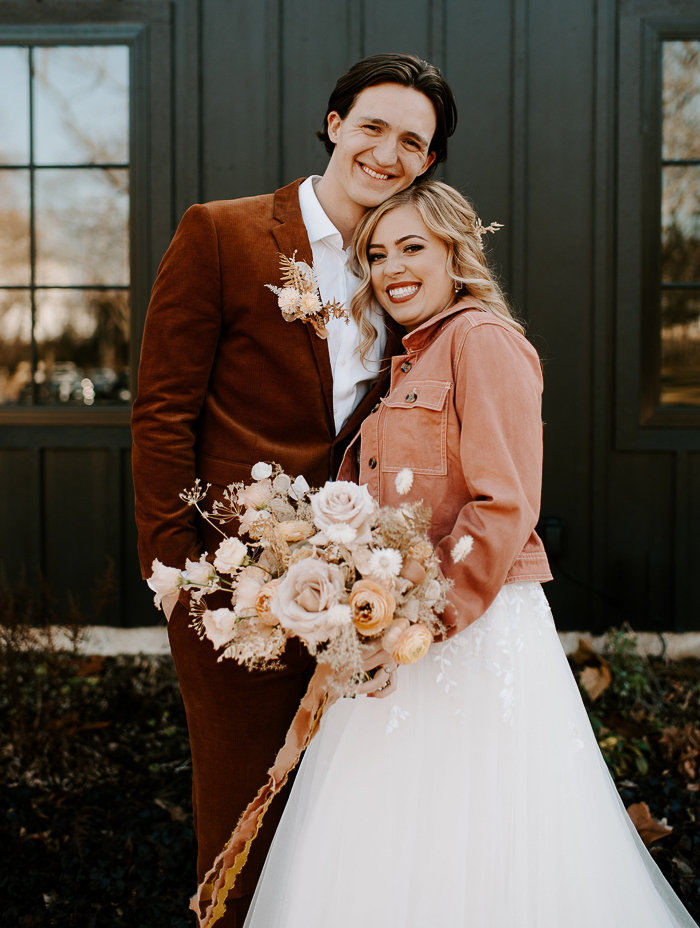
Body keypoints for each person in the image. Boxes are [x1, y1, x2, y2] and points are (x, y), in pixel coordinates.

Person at [242, 182, 697, 928]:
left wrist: (423, 622)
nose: (392, 268)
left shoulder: (482, 341)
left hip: (467, 630)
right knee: (381, 833)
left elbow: (505, 503)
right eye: (377, 254)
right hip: (393, 637)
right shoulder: (404, 364)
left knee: (477, 829)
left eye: (413, 246)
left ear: (458, 251)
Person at [131, 55, 458, 926]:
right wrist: (177, 572)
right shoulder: (222, 233)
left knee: (340, 828)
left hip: (360, 599)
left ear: (427, 164)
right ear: (333, 123)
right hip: (233, 588)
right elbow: (162, 412)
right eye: (374, 126)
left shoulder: (404, 272)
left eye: (413, 142)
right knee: (244, 821)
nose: (388, 152)